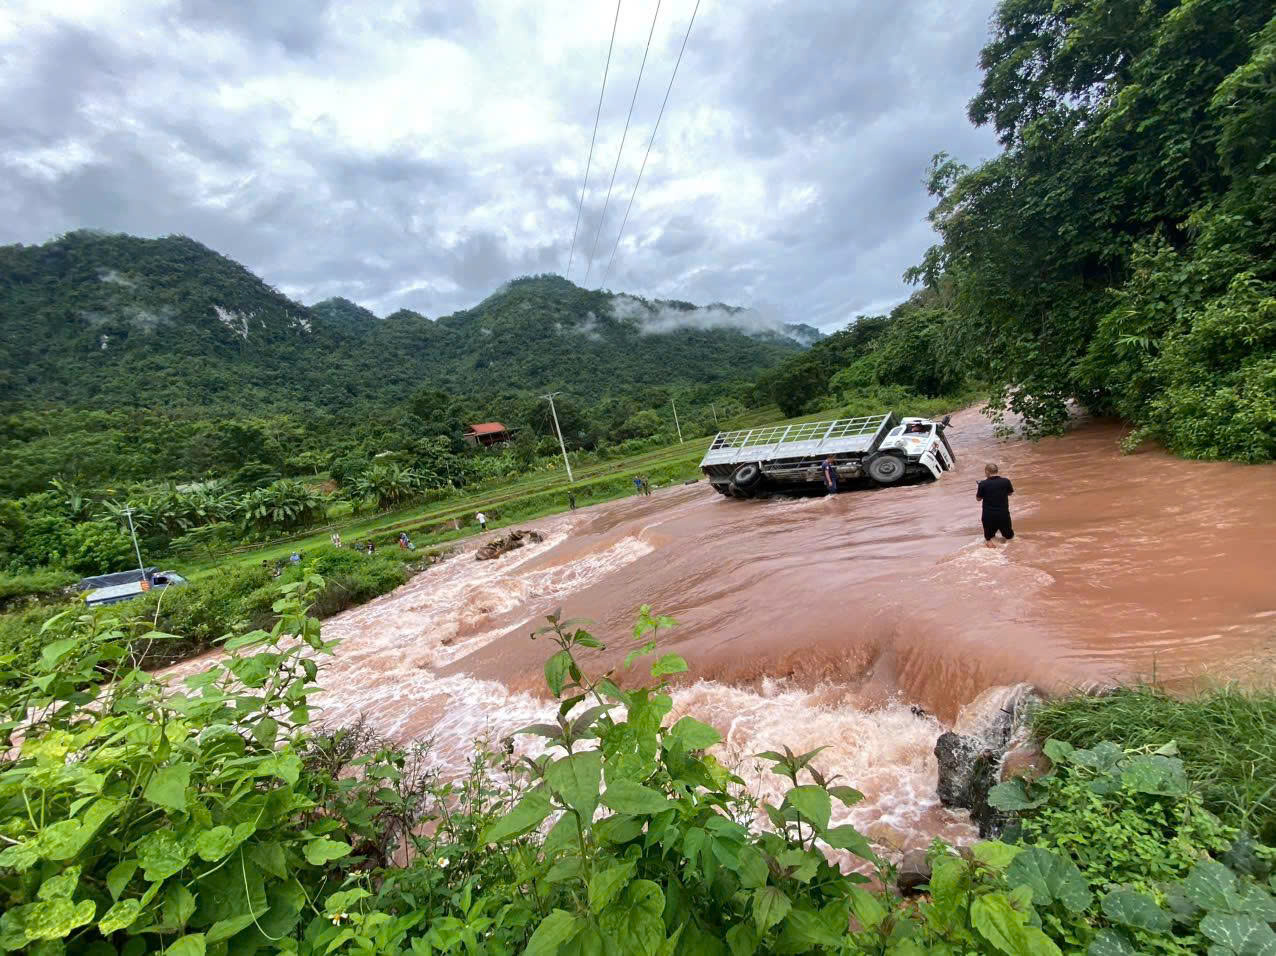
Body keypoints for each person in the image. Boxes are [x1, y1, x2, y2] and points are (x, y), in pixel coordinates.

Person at [976, 463, 1015, 547]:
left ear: (987, 472)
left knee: (989, 538)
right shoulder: (1006, 481)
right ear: (996, 471)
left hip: (989, 516)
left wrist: (980, 487)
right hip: (1003, 514)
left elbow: (978, 499)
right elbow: (1010, 493)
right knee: (1009, 536)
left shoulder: (983, 484)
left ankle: (992, 556)